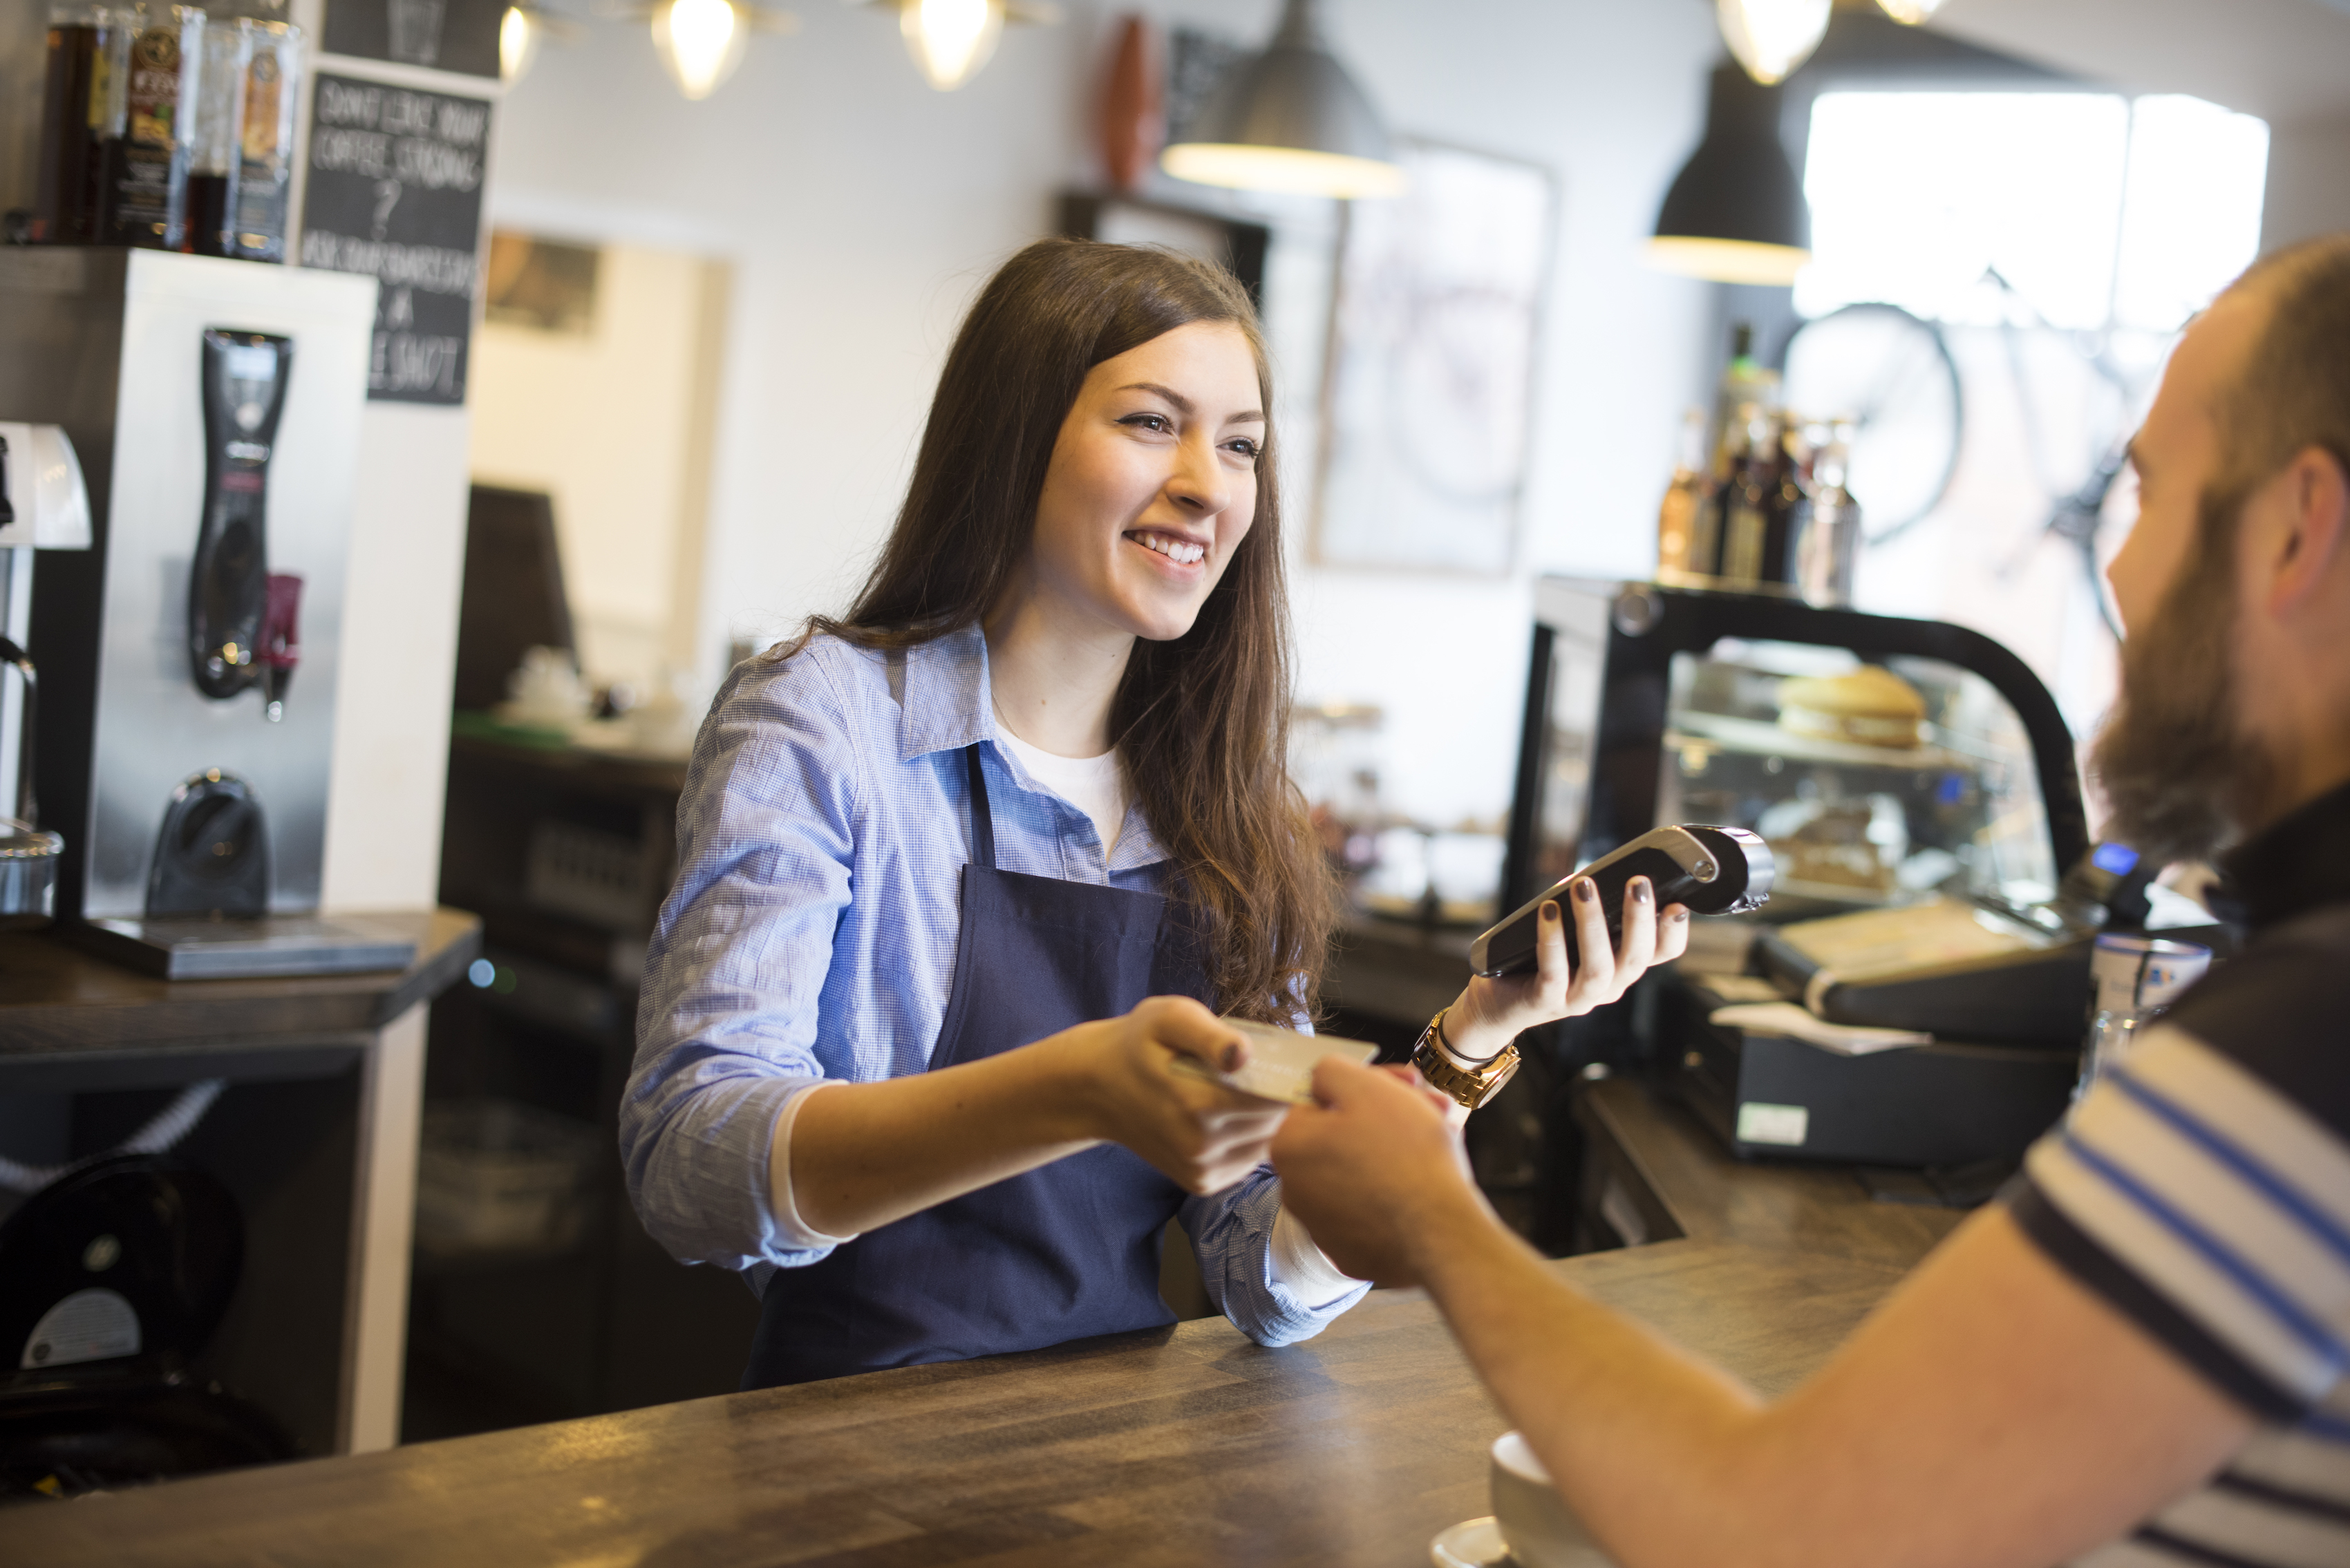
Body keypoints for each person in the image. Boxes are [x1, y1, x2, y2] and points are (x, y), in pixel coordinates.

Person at [1273, 235, 2350, 1568]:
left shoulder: (2307, 1043)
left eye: (2152, 496)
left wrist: (1433, 1218)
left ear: (2300, 527)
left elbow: (1782, 1524)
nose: (2118, 575)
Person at [619, 238, 1690, 1389]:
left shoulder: (1229, 806)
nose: (1207, 483)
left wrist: (1481, 1031)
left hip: (1119, 1461)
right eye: (1149, 422)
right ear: (1017, 434)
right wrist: (1072, 1088)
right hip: (845, 1431)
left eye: (1240, 446)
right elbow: (690, 1163)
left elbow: (1262, 1277)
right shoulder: (828, 720)